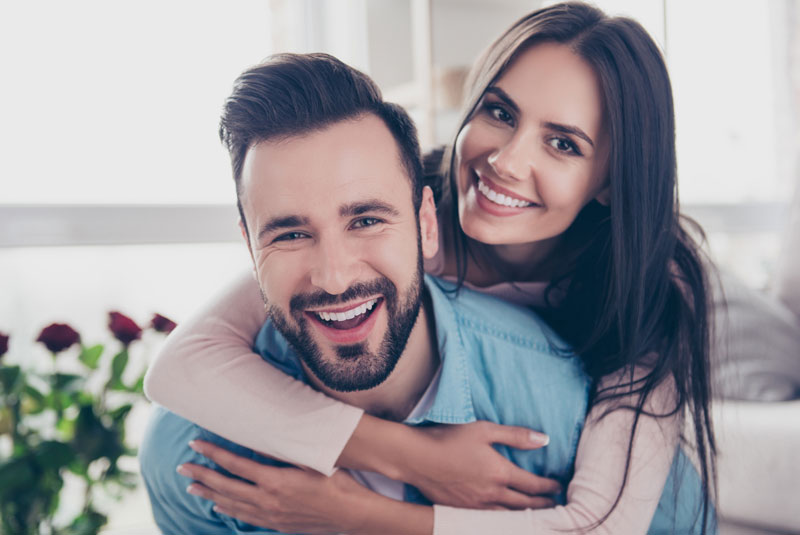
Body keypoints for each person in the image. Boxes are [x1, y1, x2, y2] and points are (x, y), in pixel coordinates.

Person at [143, 2, 717, 534]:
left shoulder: (649, 289)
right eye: (499, 112)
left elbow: (604, 524)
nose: (507, 161)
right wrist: (407, 456)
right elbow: (183, 367)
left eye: (563, 144)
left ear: (613, 181)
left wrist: (353, 513)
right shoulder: (390, 213)